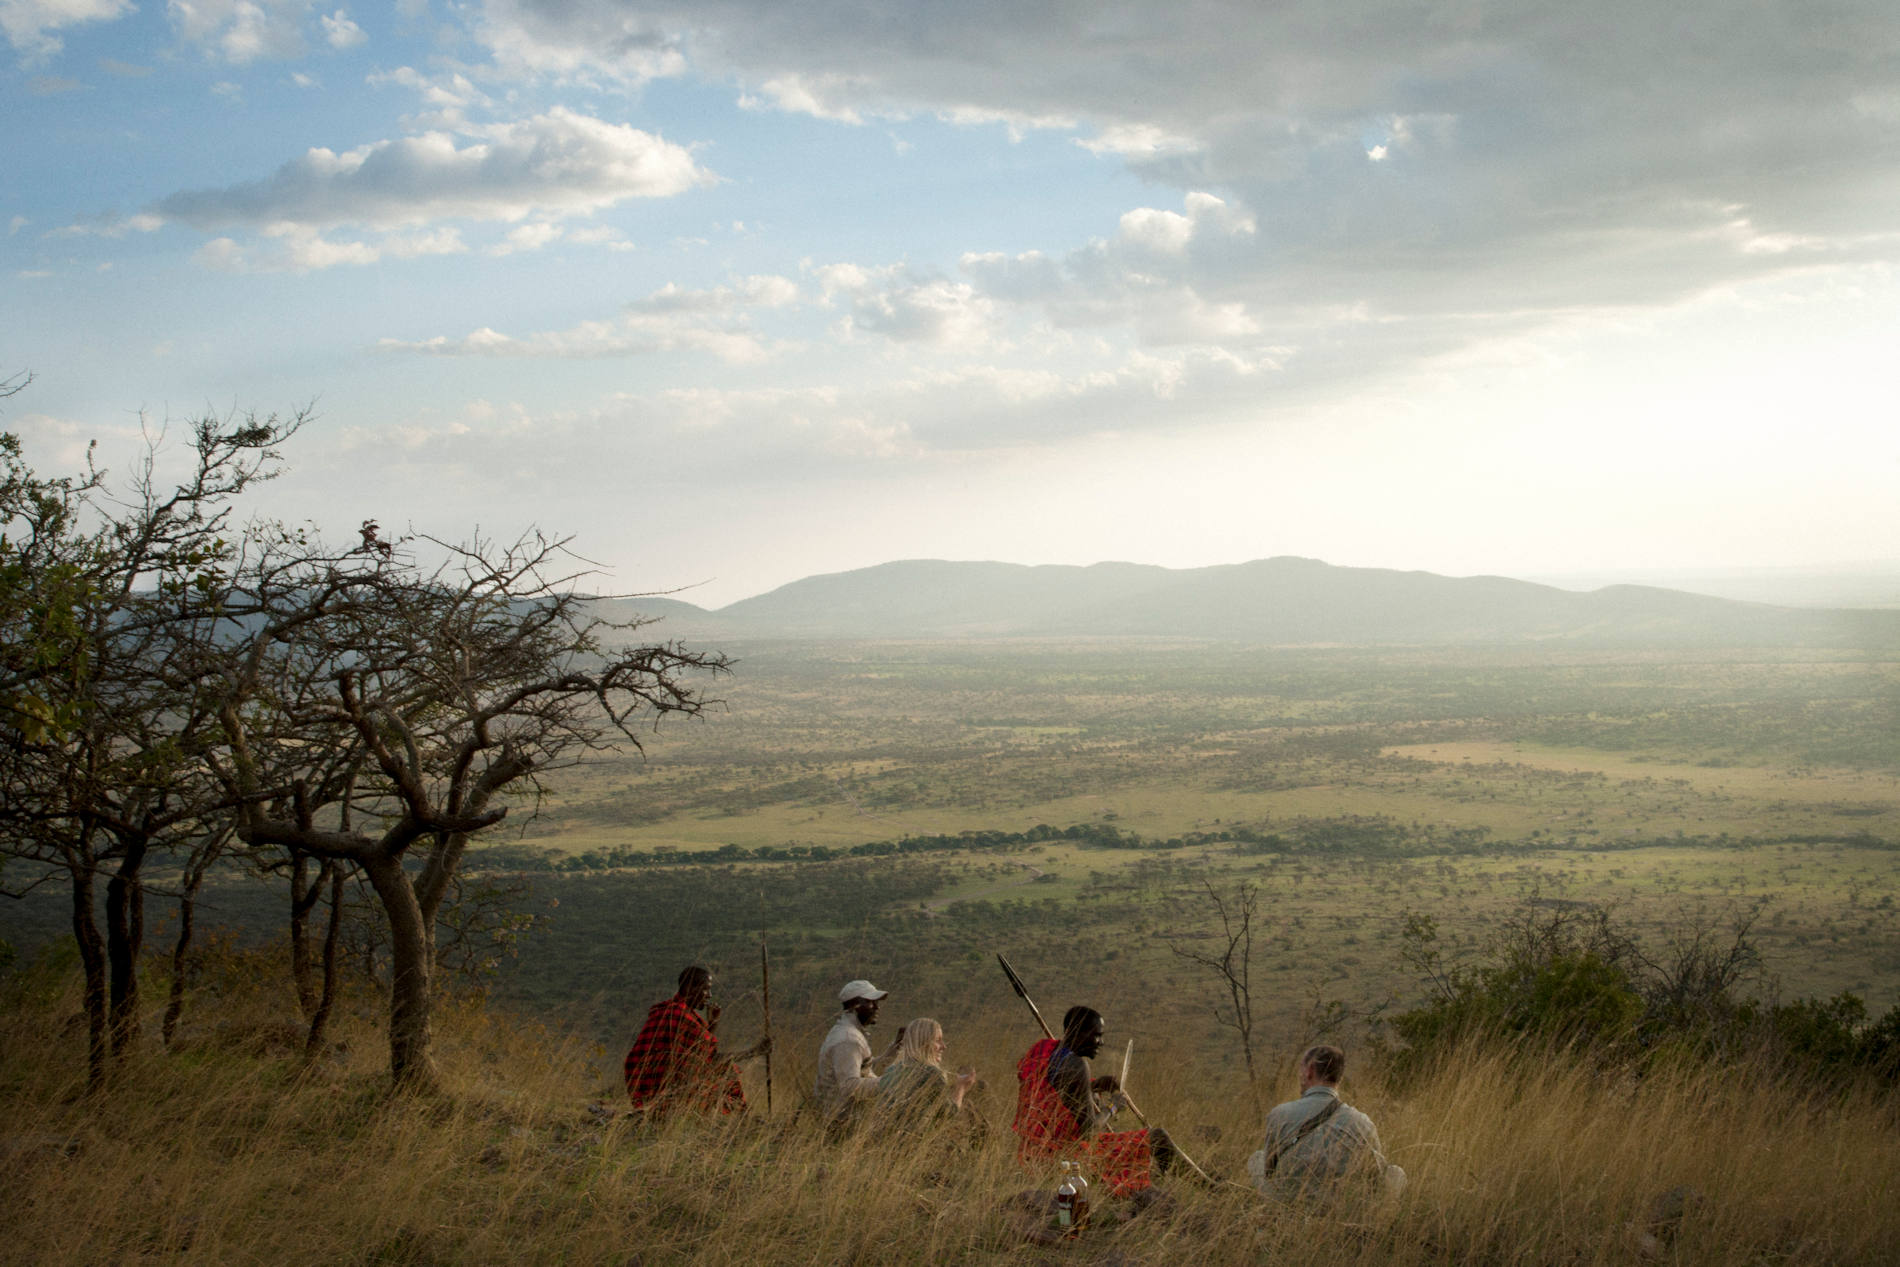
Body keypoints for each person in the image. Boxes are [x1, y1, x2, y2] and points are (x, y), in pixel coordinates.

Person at [1012, 1005, 1180, 1195]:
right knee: (1157, 1137)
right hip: (1067, 1159)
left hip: (1031, 1154)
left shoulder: (1043, 1049)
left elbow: (1056, 1087)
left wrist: (1095, 1085)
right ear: (1076, 1033)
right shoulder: (1077, 1065)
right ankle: (1206, 1185)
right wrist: (1112, 1107)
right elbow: (1090, 1132)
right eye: (1097, 1035)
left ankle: (1170, 1182)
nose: (1101, 1042)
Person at [1248, 1044, 1406, 1204]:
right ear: (1340, 1077)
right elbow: (1376, 1177)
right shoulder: (1363, 1122)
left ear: (1309, 1071)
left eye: (1301, 1069)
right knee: (1396, 1173)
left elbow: (1269, 1171)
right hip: (1343, 1208)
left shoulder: (1279, 1114)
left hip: (1288, 1203)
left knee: (1257, 1158)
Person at [623, 965, 768, 1118]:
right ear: (690, 988)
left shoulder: (671, 1010)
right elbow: (711, 1059)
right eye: (706, 989)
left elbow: (698, 1053)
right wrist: (755, 1052)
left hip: (648, 1090)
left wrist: (712, 1026)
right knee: (725, 1069)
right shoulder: (679, 1015)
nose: (710, 995)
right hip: (663, 1090)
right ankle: (740, 1117)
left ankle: (737, 1116)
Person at [814, 978, 900, 1130]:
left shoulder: (848, 1032)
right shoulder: (848, 1040)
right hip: (842, 1124)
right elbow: (849, 1085)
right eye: (871, 1002)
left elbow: (865, 1070)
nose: (876, 1007)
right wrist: (891, 1082)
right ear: (855, 1006)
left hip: (844, 1120)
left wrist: (896, 1046)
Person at [875, 1016, 980, 1135]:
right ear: (924, 1043)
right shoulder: (931, 1073)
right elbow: (948, 1114)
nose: (943, 1046)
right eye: (938, 1040)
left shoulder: (890, 1071)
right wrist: (961, 1087)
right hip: (910, 1142)